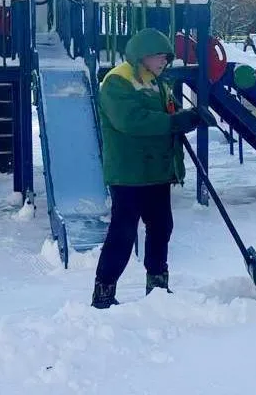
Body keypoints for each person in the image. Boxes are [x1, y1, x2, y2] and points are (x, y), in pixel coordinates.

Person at [91, 27, 215, 309]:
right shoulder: (117, 82)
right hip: (129, 173)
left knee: (161, 228)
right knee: (123, 232)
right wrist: (175, 122)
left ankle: (157, 288)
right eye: (160, 57)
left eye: (166, 58)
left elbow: (167, 114)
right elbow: (132, 121)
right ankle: (104, 292)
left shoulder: (158, 83)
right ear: (142, 56)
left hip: (157, 172)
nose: (164, 62)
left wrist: (189, 117)